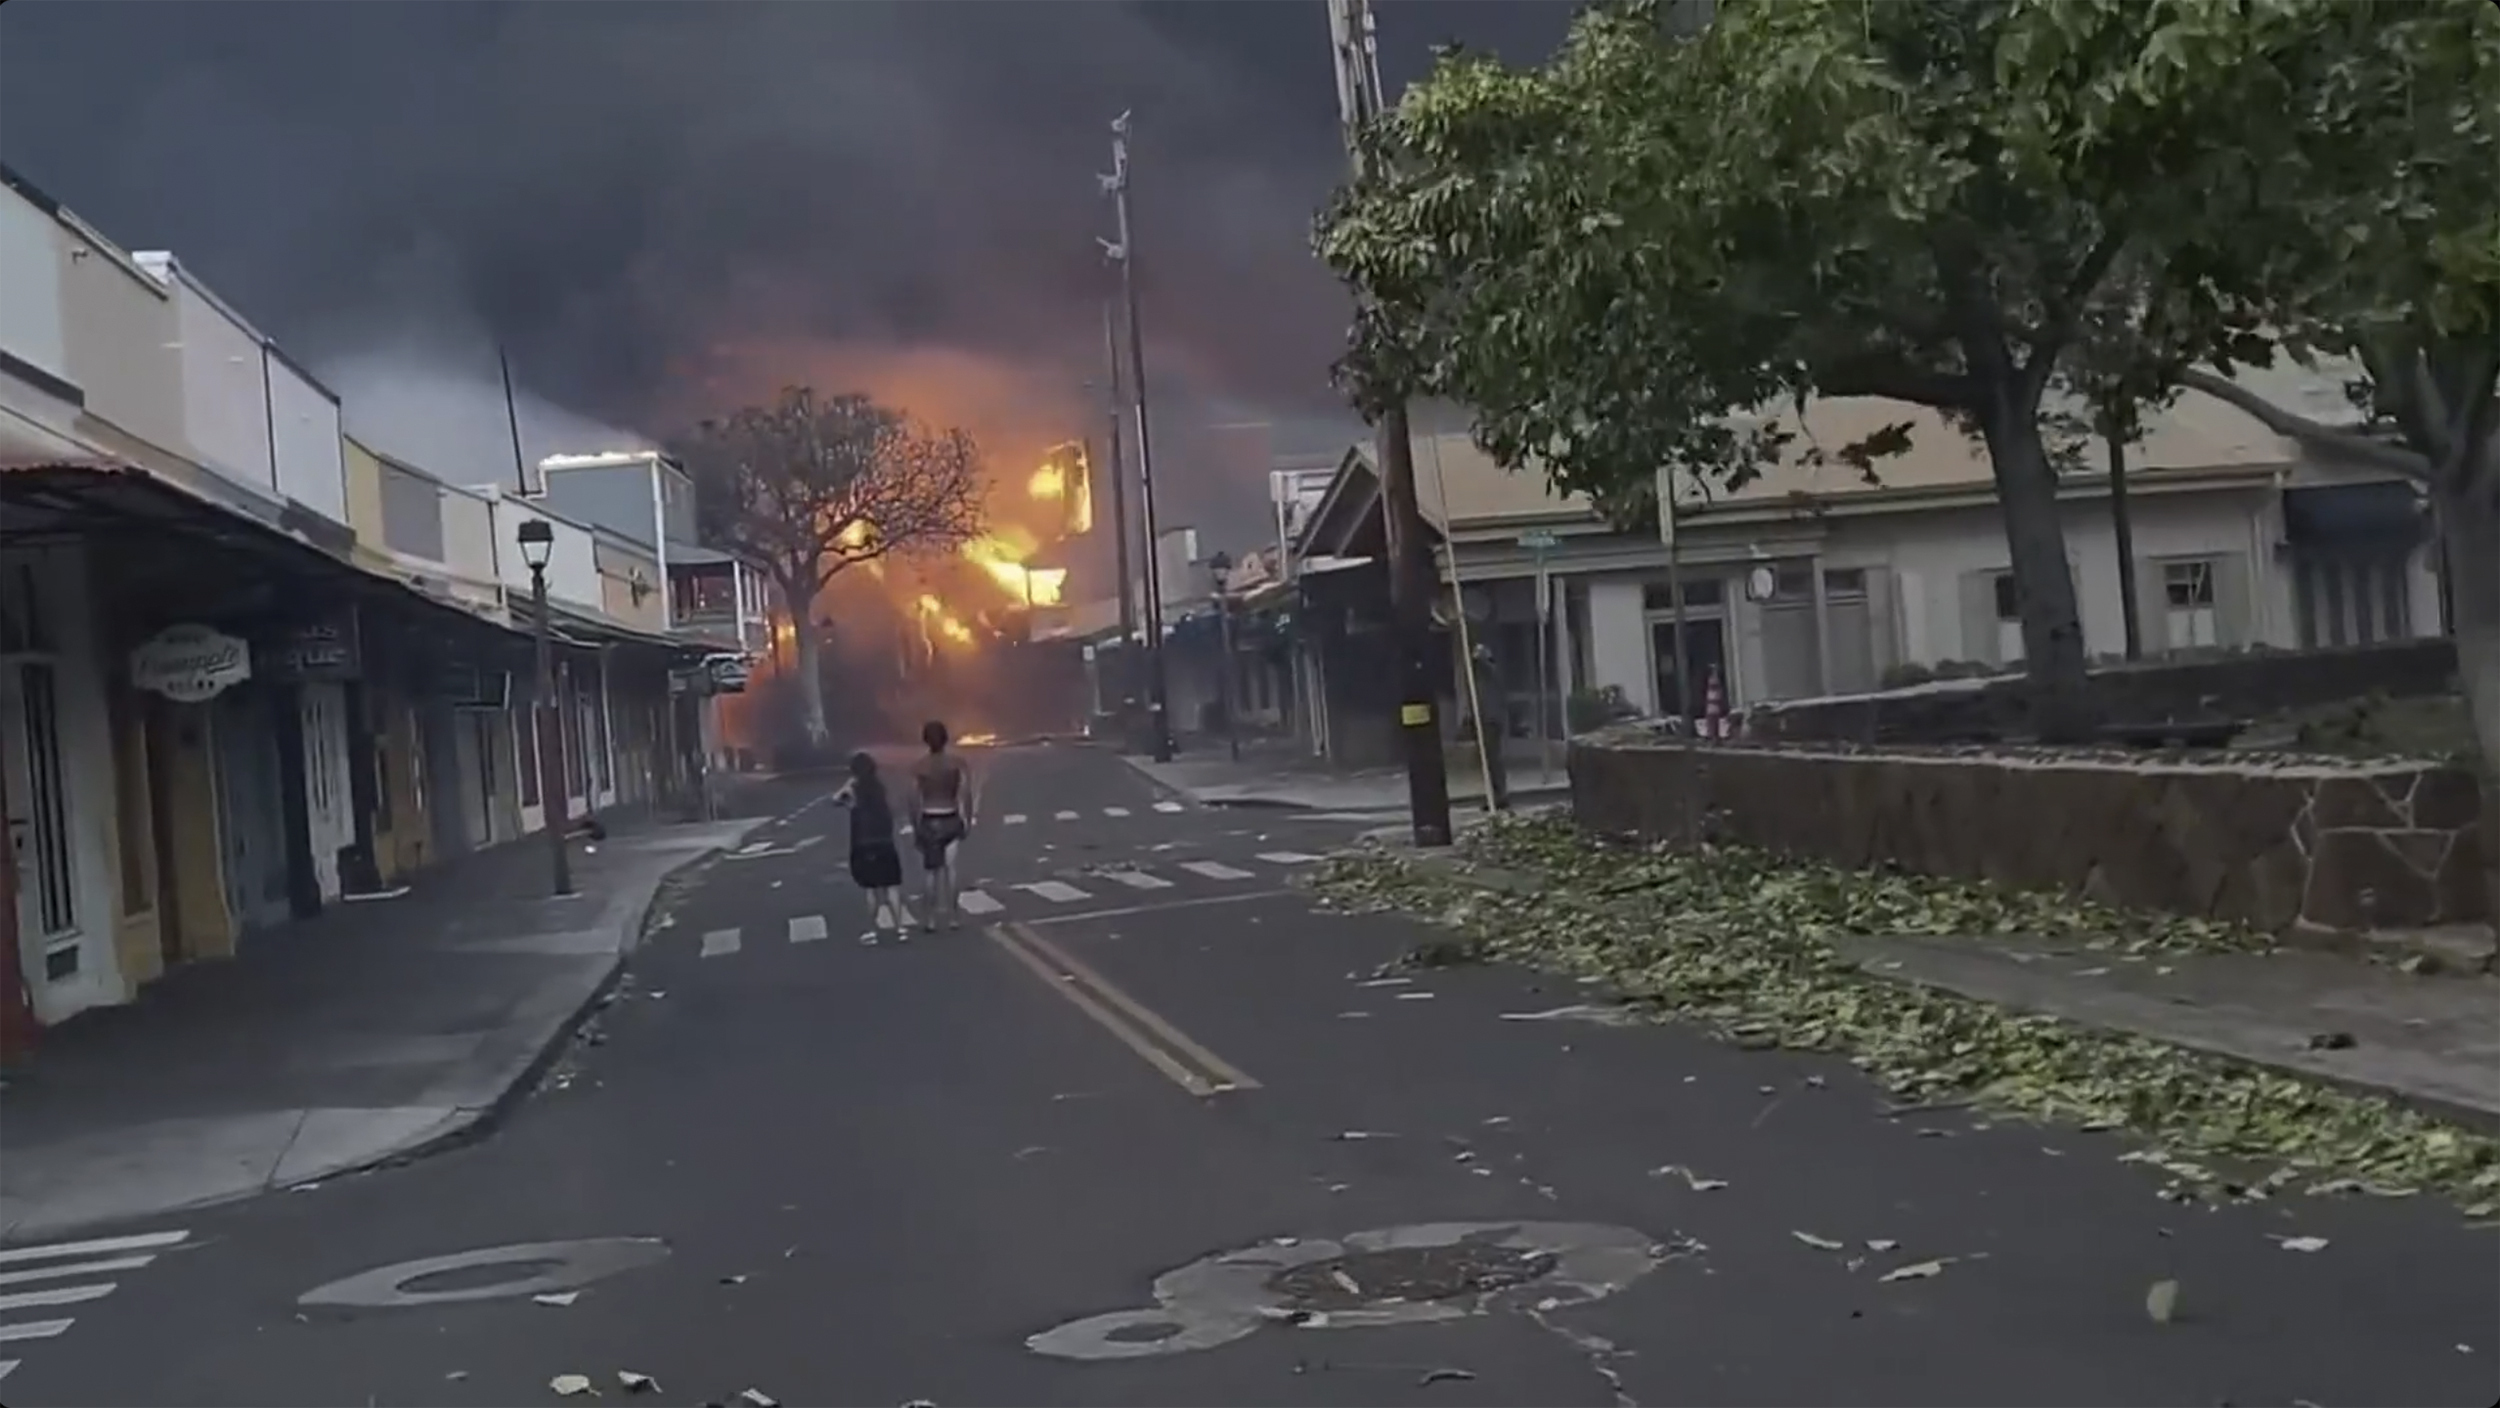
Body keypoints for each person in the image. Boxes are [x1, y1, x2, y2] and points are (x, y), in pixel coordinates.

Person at [908, 719, 977, 930]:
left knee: (931, 872)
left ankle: (929, 920)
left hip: (929, 818)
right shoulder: (957, 763)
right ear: (946, 739)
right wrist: (968, 818)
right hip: (950, 816)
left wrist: (916, 825)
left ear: (926, 740)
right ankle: (954, 917)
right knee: (951, 870)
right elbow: (965, 793)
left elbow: (913, 799)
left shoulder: (919, 766)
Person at [833, 751, 908, 941]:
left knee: (871, 889)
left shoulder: (854, 790)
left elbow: (835, 800)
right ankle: (900, 928)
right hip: (884, 840)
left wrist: (849, 783)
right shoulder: (880, 788)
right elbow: (893, 810)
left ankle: (874, 931)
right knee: (891, 886)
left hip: (863, 843)